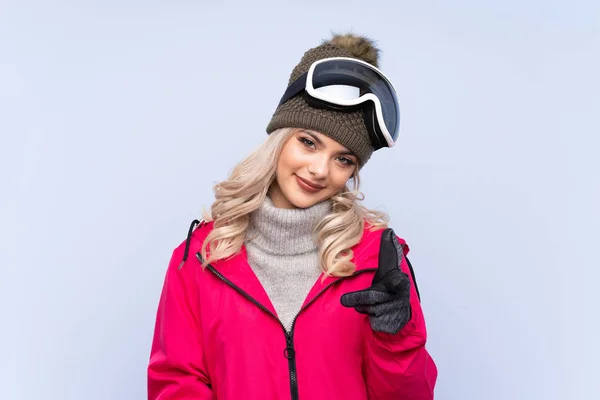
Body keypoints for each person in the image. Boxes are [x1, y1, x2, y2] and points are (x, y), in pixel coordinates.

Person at [147, 32, 437, 400]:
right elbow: (175, 384)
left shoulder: (378, 262)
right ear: (281, 136)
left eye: (343, 159)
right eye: (309, 142)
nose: (319, 170)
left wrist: (398, 338)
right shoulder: (201, 257)